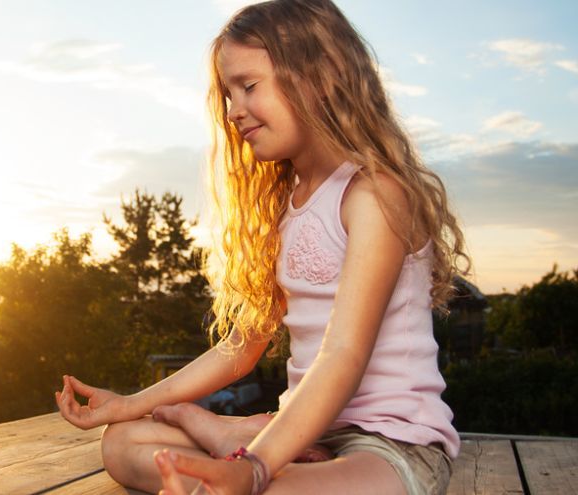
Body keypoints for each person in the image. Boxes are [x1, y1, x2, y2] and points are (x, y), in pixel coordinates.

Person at [55, 0, 470, 493]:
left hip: (390, 445)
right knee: (121, 444)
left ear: (320, 77)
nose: (233, 111)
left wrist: (253, 466)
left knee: (255, 489)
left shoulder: (375, 196)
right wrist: (129, 403)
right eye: (228, 94)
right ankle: (246, 442)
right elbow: (240, 347)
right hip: (303, 435)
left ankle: (241, 447)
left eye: (249, 87)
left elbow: (342, 355)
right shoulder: (285, 204)